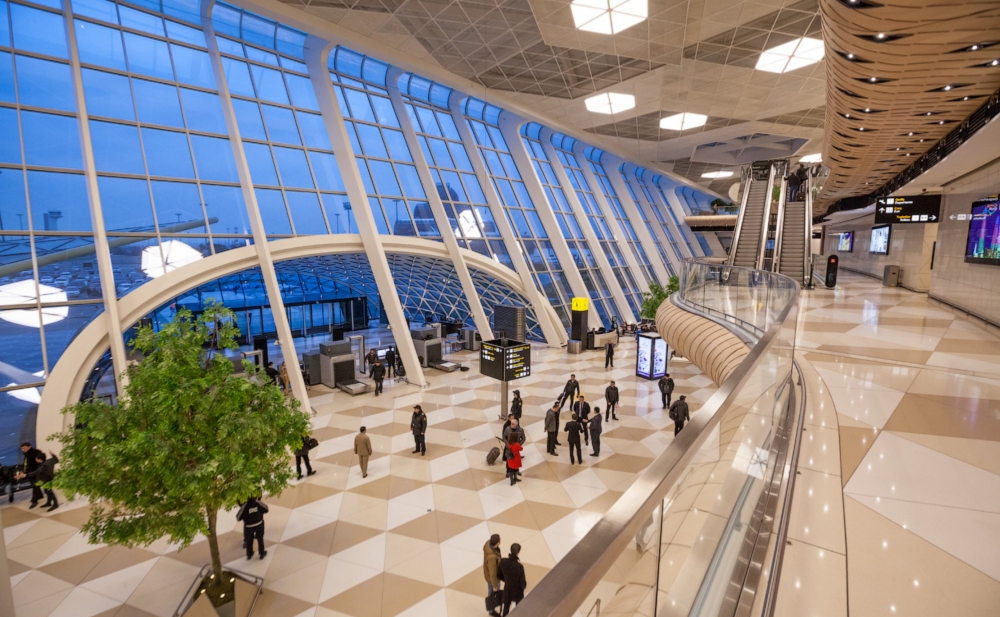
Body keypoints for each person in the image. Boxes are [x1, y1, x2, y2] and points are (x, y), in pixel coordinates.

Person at [498, 543, 527, 616]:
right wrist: (523, 586)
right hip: (517, 590)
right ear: (518, 552)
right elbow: (522, 581)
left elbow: (498, 574)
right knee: (519, 607)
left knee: (506, 607)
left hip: (508, 589)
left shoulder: (503, 562)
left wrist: (506, 580)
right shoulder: (519, 566)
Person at [483, 534, 503, 615]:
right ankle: (491, 611)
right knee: (492, 594)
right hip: (492, 579)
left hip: (489, 575)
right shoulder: (492, 557)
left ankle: (491, 609)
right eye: (499, 540)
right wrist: (495, 585)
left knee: (491, 592)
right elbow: (492, 573)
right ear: (497, 543)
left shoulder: (488, 545)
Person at [20, 442, 43, 508]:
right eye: (22, 448)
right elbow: (26, 463)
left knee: (35, 486)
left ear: (29, 447)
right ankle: (40, 496)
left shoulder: (36, 452)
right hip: (29, 472)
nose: (23, 450)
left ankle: (34, 501)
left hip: (35, 472)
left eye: (24, 448)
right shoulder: (26, 454)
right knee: (34, 485)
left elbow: (39, 462)